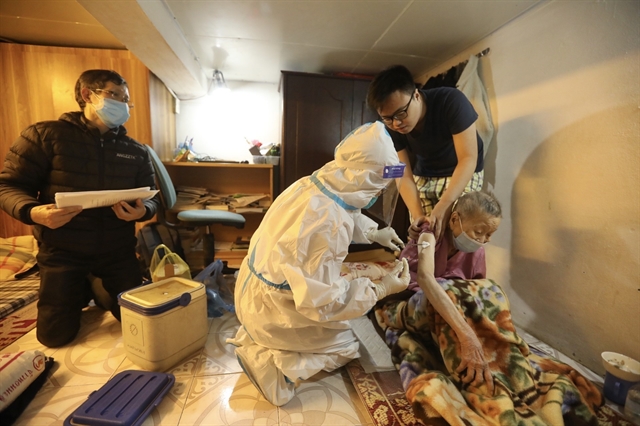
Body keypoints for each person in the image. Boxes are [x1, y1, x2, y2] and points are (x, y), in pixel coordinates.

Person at [228, 121, 411, 406]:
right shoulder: (329, 224)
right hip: (271, 309)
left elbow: (343, 205)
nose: (379, 192)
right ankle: (275, 369)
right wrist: (379, 289)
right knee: (351, 342)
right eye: (380, 184)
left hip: (251, 292)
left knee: (343, 305)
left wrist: (374, 232)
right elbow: (323, 304)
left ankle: (259, 337)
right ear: (365, 177)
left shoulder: (312, 185)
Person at [0, 69, 160, 348]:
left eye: (127, 100)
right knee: (54, 337)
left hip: (117, 250)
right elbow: (8, 187)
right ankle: (85, 284)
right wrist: (33, 212)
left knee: (143, 322)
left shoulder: (136, 151)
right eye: (116, 96)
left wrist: (143, 211)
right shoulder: (44, 135)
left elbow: (152, 197)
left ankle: (98, 288)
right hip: (64, 251)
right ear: (88, 95)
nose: (123, 105)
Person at [377, 190, 502, 392]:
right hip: (410, 301)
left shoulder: (476, 251)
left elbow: (476, 292)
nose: (484, 240)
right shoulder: (430, 234)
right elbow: (426, 279)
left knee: (493, 293)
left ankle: (490, 367)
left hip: (446, 305)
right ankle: (468, 378)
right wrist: (467, 336)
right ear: (454, 219)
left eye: (489, 235)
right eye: (478, 232)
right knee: (447, 294)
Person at [367, 64, 485, 241]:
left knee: (454, 234)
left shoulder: (450, 101)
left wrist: (444, 205)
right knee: (424, 235)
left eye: (401, 113)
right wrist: (417, 215)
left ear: (415, 95)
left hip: (461, 169)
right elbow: (403, 174)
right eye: (388, 118)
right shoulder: (390, 126)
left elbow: (468, 158)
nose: (396, 123)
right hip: (426, 173)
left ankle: (456, 269)